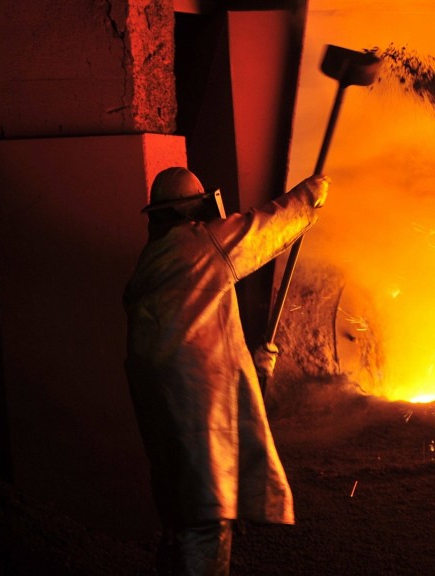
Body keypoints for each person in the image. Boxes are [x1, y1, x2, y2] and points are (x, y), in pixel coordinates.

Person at [123, 166, 328, 575]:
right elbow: (266, 227)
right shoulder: (199, 246)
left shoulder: (151, 265)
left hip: (164, 420)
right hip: (199, 423)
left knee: (180, 524)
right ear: (194, 208)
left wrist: (246, 364)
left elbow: (190, 344)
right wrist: (313, 194)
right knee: (205, 523)